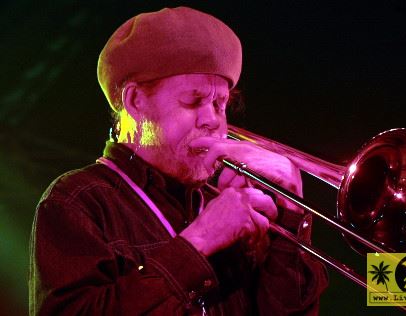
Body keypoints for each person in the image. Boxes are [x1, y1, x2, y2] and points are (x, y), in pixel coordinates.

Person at [29, 6, 328, 315]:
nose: (213, 120)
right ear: (135, 101)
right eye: (194, 101)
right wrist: (199, 241)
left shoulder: (230, 204)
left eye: (220, 104)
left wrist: (293, 217)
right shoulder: (78, 201)